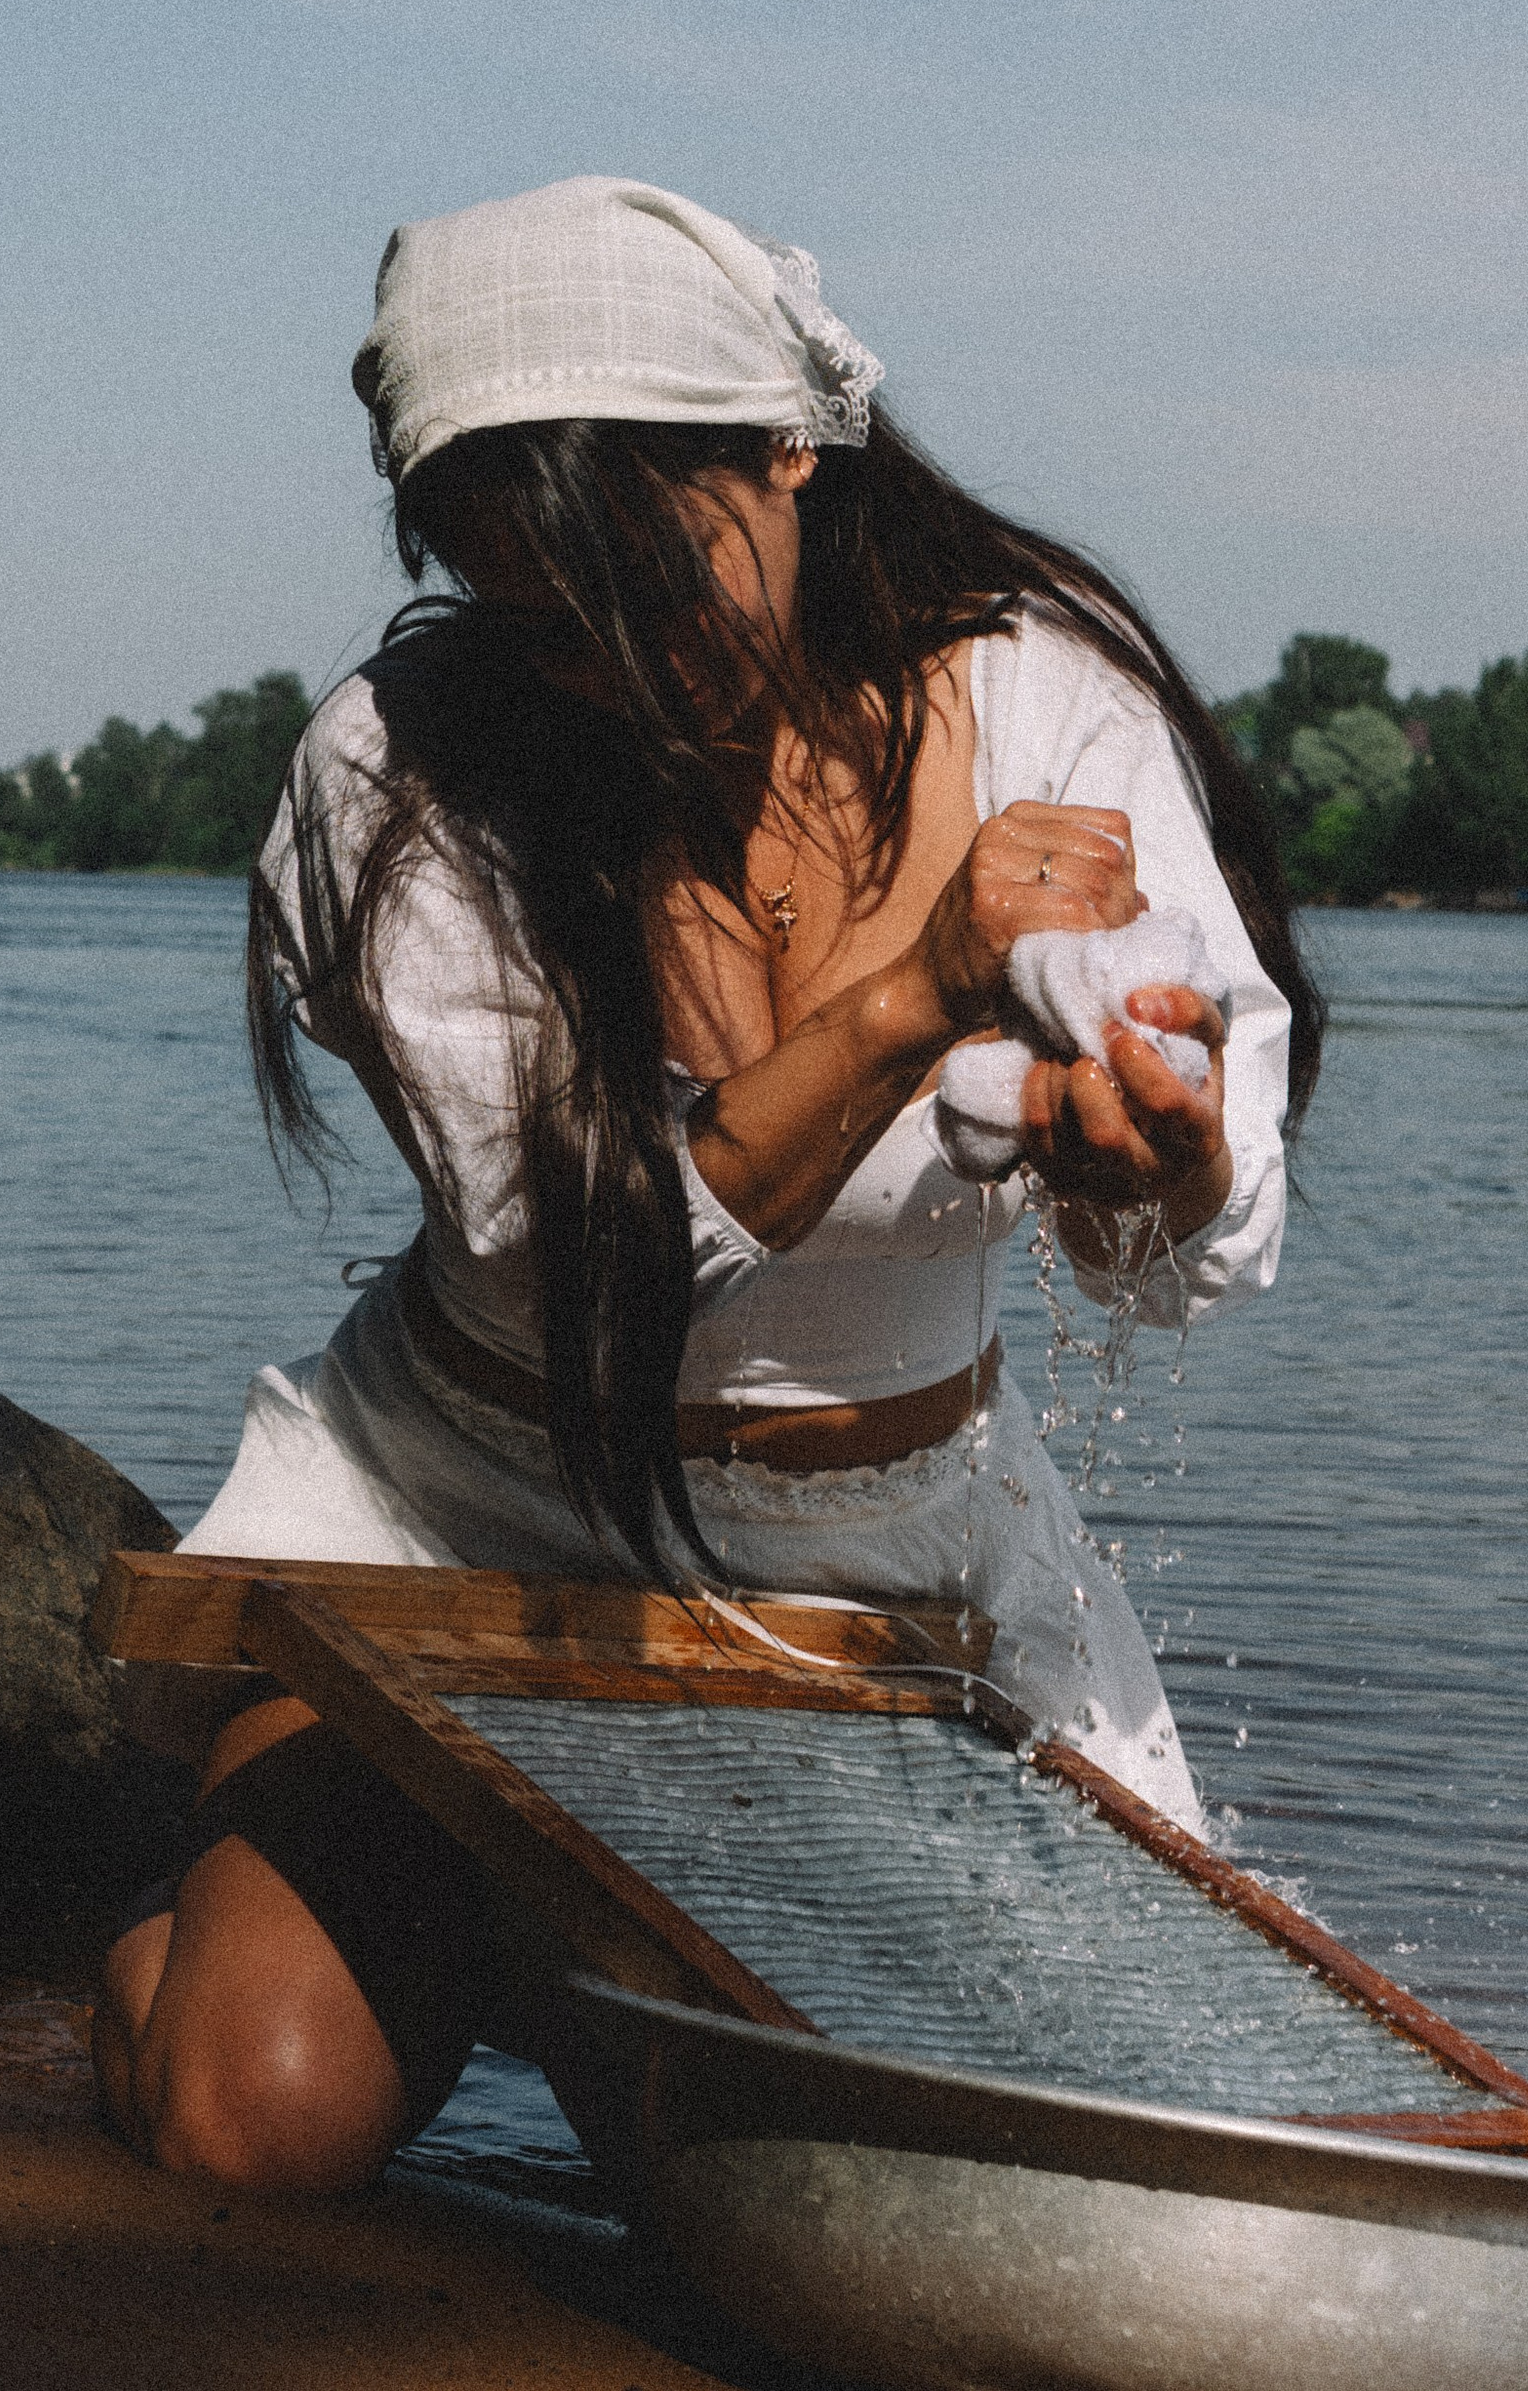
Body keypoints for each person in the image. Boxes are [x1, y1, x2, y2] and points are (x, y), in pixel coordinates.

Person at [94, 176, 1316, 2192]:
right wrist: (911, 986)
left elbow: (1191, 1240)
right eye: (536, 621)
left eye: (656, 588)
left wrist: (1153, 1160)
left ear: (785, 448)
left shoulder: (1039, 702)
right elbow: (570, 1264)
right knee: (252, 2126)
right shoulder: (395, 778)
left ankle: (546, 1948)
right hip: (460, 1526)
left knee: (1129, 2158)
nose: (620, 674)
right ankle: (196, 1931)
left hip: (893, 1563)